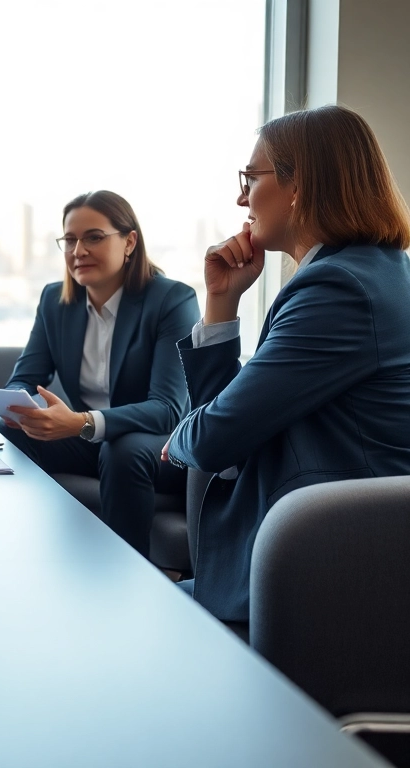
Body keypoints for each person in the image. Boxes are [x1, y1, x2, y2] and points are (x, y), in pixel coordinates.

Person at [164, 105, 410, 624]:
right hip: (332, 543)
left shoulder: (338, 290)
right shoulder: (372, 271)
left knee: (137, 617)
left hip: (331, 565)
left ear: (300, 186)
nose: (241, 197)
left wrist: (179, 438)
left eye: (251, 178)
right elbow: (227, 424)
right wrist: (220, 305)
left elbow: (212, 438)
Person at [0, 191, 199, 556]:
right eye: (70, 240)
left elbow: (168, 408)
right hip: (92, 439)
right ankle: (18, 551)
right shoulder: (56, 301)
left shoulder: (172, 301)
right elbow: (26, 375)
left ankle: (127, 575)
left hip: (162, 445)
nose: (78, 250)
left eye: (93, 237)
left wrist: (82, 422)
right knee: (9, 432)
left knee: (123, 451)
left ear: (129, 242)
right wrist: (17, 406)